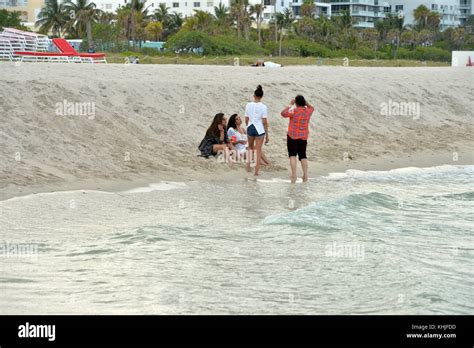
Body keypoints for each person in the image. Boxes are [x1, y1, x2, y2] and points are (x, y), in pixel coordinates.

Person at [281, 95, 314, 183]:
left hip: (292, 136)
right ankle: (305, 175)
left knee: (292, 155)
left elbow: (283, 113)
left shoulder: (293, 111)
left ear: (296, 103)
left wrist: (289, 105)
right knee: (303, 155)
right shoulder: (308, 111)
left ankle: (294, 175)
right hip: (303, 137)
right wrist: (306, 103)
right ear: (303, 102)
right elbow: (312, 108)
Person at [245, 85, 269, 176]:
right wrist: (267, 135)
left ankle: (248, 168)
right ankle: (256, 172)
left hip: (250, 126)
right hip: (259, 128)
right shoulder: (263, 107)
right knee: (258, 151)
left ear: (254, 96)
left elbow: (246, 119)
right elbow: (264, 122)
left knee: (250, 148)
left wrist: (248, 126)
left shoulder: (248, 105)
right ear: (261, 97)